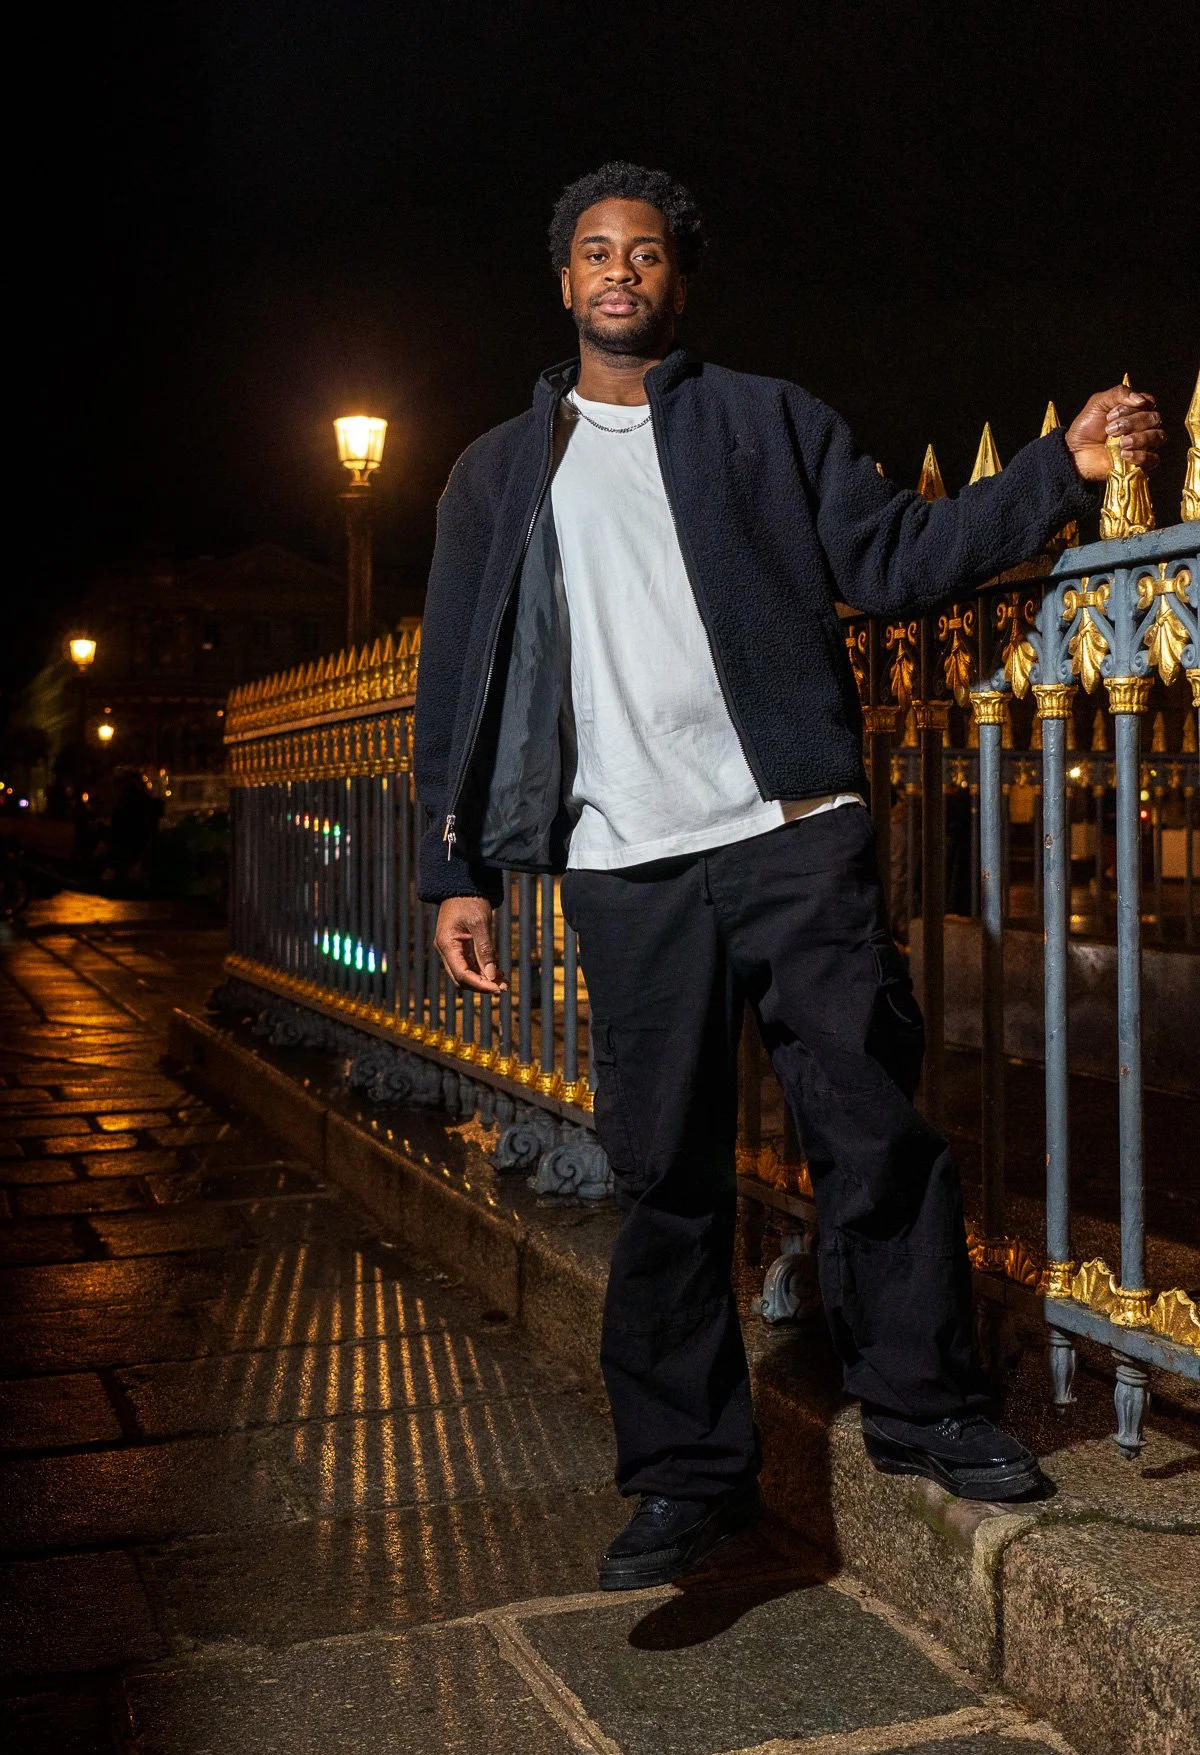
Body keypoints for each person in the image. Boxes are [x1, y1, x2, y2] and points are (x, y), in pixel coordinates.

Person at [413, 161, 1164, 1592]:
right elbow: (462, 680)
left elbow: (895, 558)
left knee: (872, 1132)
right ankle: (690, 1481)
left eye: (644, 251)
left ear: (677, 282)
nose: (619, 270)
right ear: (563, 284)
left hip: (792, 831)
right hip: (623, 865)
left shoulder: (767, 421)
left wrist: (1055, 474)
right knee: (665, 1175)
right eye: (592, 251)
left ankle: (926, 1407)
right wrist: (460, 871)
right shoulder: (498, 475)